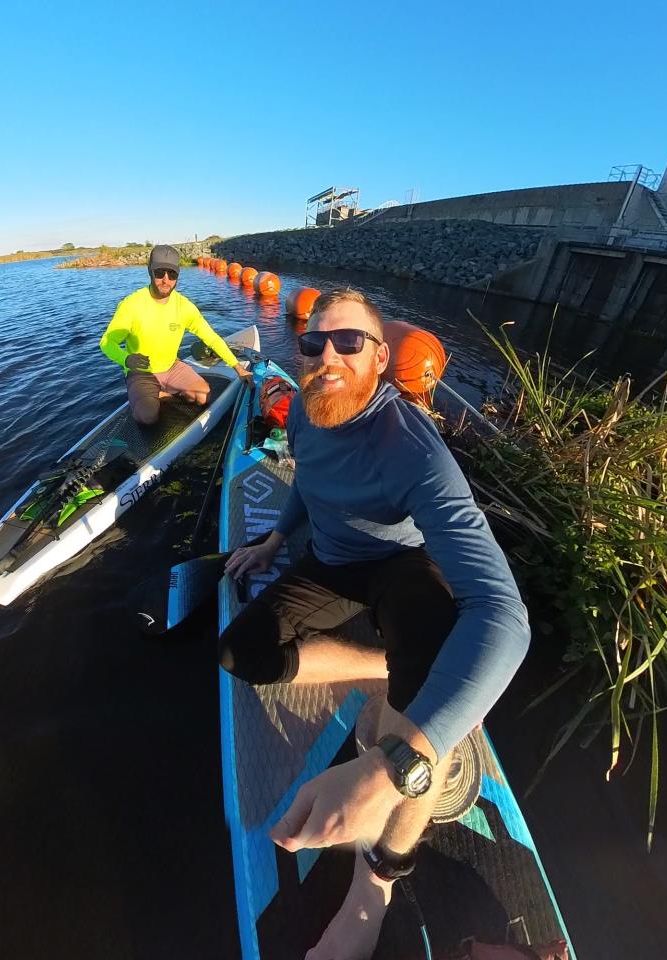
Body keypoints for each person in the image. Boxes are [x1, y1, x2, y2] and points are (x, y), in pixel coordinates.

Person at [219, 288, 530, 960]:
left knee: (424, 696)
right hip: (327, 562)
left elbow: (505, 614)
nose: (326, 356)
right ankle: (382, 663)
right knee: (241, 653)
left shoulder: (415, 452)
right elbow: (305, 481)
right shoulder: (305, 408)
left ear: (381, 356)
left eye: (348, 342)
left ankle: (375, 887)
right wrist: (276, 539)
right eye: (313, 342)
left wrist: (391, 768)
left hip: (399, 568)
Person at [99, 244, 251, 424]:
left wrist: (238, 368)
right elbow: (107, 343)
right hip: (141, 371)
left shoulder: (184, 306)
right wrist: (126, 359)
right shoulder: (131, 305)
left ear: (177, 276)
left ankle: (161, 393)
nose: (165, 280)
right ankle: (151, 397)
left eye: (172, 274)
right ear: (149, 271)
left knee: (203, 397)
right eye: (159, 273)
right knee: (147, 418)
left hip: (171, 367)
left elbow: (210, 337)